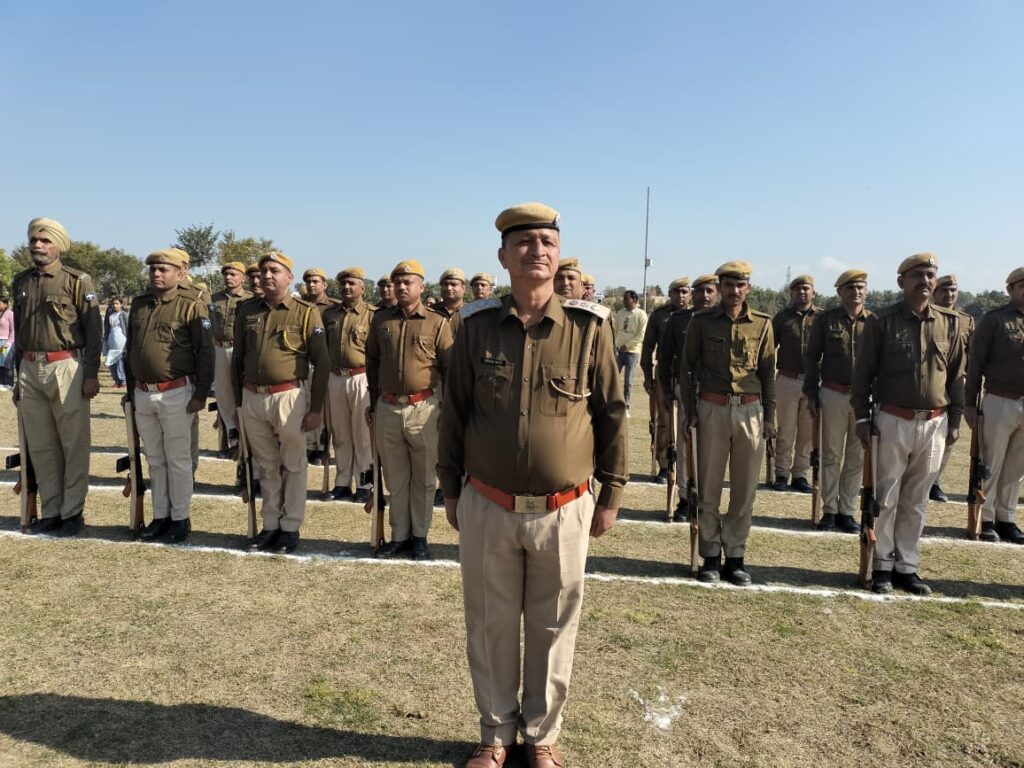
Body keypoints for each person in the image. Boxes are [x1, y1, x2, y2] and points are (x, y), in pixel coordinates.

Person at [438, 202, 626, 768]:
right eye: (523, 242)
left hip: (564, 509)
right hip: (488, 503)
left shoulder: (590, 328)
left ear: (558, 253)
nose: (536, 251)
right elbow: (455, 411)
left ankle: (541, 736)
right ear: (503, 256)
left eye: (546, 242)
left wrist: (611, 495)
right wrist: (451, 490)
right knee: (490, 623)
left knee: (553, 625)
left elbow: (612, 414)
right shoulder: (474, 326)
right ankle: (495, 734)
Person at [852, 253, 965, 595]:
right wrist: (861, 416)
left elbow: (957, 376)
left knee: (916, 500)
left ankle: (907, 566)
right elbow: (863, 374)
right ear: (902, 281)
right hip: (892, 419)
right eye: (917, 275)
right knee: (886, 497)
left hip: (934, 421)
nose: (925, 281)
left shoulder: (950, 323)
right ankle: (882, 565)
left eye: (930, 274)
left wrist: (955, 420)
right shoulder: (881, 322)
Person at [679, 261, 775, 586]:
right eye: (729, 285)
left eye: (740, 285)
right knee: (708, 486)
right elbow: (687, 367)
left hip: (750, 411)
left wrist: (770, 417)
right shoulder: (701, 322)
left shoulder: (762, 324)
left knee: (744, 489)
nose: (735, 291)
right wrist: (690, 410)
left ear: (748, 288)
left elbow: (768, 373)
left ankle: (735, 556)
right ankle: (710, 554)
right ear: (720, 288)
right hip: (712, 408)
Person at [233, 251, 329, 554]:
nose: (267, 275)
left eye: (275, 270)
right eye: (264, 271)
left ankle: (290, 527)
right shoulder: (247, 311)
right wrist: (237, 404)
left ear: (289, 276)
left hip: (288, 396)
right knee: (266, 465)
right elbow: (238, 359)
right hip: (252, 396)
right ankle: (270, 525)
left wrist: (316, 408)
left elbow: (322, 362)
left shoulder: (305, 312)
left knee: (293, 464)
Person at [11, 217, 101, 536]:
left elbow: (94, 331)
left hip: (66, 366)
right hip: (29, 367)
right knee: (41, 446)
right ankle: (51, 510)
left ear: (59, 246)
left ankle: (72, 512)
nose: (38, 245)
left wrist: (91, 374)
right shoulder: (21, 281)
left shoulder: (77, 281)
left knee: (73, 443)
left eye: (45, 240)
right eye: (34, 240)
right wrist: (17, 377)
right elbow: (19, 332)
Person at [366, 260, 453, 560]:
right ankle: (399, 535)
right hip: (387, 407)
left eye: (408, 282)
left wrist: (446, 408)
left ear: (421, 286)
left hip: (424, 408)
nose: (402, 287)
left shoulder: (437, 322)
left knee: (424, 478)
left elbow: (449, 368)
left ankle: (419, 536)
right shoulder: (381, 320)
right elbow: (372, 362)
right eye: (398, 282)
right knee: (395, 478)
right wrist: (372, 403)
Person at [126, 249, 215, 543]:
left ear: (180, 273)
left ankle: (180, 518)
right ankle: (160, 516)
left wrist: (201, 393)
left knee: (177, 459)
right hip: (143, 393)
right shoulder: (139, 304)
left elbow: (205, 352)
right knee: (154, 459)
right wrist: (130, 390)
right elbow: (130, 350)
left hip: (177, 392)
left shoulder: (191, 306)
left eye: (163, 269)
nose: (156, 273)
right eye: (153, 268)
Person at [803, 270, 872, 533]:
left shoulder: (875, 322)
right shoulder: (826, 319)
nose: (856, 292)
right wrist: (811, 393)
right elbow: (812, 357)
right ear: (839, 292)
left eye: (861, 287)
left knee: (857, 457)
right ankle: (830, 509)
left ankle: (847, 511)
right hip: (833, 393)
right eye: (850, 287)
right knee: (830, 455)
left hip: (863, 398)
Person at [964, 267, 1024, 544]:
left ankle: (1006, 518)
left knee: (1017, 468)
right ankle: (986, 518)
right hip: (1000, 400)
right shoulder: (994, 320)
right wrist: (969, 403)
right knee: (991, 463)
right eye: (1022, 286)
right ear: (1010, 289)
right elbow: (975, 364)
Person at [656, 274, 719, 521]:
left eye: (709, 291)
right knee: (685, 445)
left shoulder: (725, 320)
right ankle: (685, 497)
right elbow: (664, 357)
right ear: (693, 294)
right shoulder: (678, 320)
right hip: (686, 389)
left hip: (717, 393)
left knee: (713, 448)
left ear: (717, 293)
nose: (704, 296)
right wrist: (665, 390)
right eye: (700, 291)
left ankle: (708, 500)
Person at [322, 267, 377, 503]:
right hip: (335, 377)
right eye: (343, 283)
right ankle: (342, 482)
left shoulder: (372, 315)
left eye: (352, 283)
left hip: (361, 378)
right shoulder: (329, 314)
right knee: (341, 434)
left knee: (362, 434)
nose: (346, 287)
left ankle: (364, 483)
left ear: (362, 287)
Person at [770, 275, 822, 493]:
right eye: (797, 289)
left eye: (806, 288)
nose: (802, 292)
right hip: (787, 380)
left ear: (813, 292)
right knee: (786, 431)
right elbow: (769, 347)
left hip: (813, 382)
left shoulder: (822, 318)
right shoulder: (782, 318)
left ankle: (800, 475)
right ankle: (781, 473)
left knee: (807, 434)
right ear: (791, 293)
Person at [929, 274, 975, 502]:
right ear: (934, 293)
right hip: (931, 381)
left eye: (953, 290)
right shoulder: (927, 317)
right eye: (944, 290)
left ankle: (934, 482)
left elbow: (972, 357)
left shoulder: (966, 321)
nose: (949, 295)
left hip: (956, 383)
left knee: (949, 434)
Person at [641, 277, 692, 484]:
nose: (680, 296)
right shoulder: (659, 316)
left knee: (689, 422)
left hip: (688, 377)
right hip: (664, 376)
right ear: (670, 294)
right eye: (676, 292)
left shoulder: (696, 316)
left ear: (690, 294)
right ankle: (665, 464)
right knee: (664, 422)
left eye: (684, 292)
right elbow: (648, 347)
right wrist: (647, 377)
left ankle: (686, 464)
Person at [209, 262, 251, 458]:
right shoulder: (214, 299)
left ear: (243, 278)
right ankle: (233, 440)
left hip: (240, 349)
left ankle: (247, 438)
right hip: (219, 348)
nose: (229, 277)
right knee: (224, 395)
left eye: (234, 274)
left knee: (242, 392)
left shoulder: (249, 299)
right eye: (226, 274)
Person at [302, 268, 340, 467]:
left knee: (324, 407)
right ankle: (310, 446)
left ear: (324, 284)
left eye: (315, 281)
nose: (311, 285)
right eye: (308, 281)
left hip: (326, 365)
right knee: (307, 404)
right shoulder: (301, 306)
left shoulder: (334, 308)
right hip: (305, 362)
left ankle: (322, 447)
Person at [613, 290, 647, 413]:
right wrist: (615, 345)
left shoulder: (641, 315)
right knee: (613, 377)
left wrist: (627, 346)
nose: (624, 301)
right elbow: (616, 330)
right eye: (624, 299)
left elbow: (641, 335)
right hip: (618, 351)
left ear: (635, 300)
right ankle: (613, 402)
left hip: (632, 352)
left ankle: (626, 406)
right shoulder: (620, 313)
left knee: (628, 381)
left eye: (627, 299)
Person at [102, 297, 129, 388]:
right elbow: (107, 327)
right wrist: (106, 339)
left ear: (121, 305)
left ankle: (122, 381)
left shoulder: (124, 315)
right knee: (111, 361)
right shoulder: (110, 315)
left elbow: (128, 328)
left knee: (120, 361)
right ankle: (116, 380)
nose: (115, 306)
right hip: (111, 339)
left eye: (117, 304)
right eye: (113, 304)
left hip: (121, 340)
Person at [434, 267, 467, 335]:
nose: (449, 288)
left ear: (463, 288)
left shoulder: (472, 313)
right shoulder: (430, 312)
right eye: (445, 284)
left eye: (453, 285)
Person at [0, 297, 16, 390]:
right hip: (0, 341)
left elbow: (13, 330)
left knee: (7, 362)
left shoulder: (10, 314)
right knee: (0, 363)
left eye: (0, 303)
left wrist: (8, 343)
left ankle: (9, 383)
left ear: (6, 304)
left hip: (6, 342)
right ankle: (1, 382)